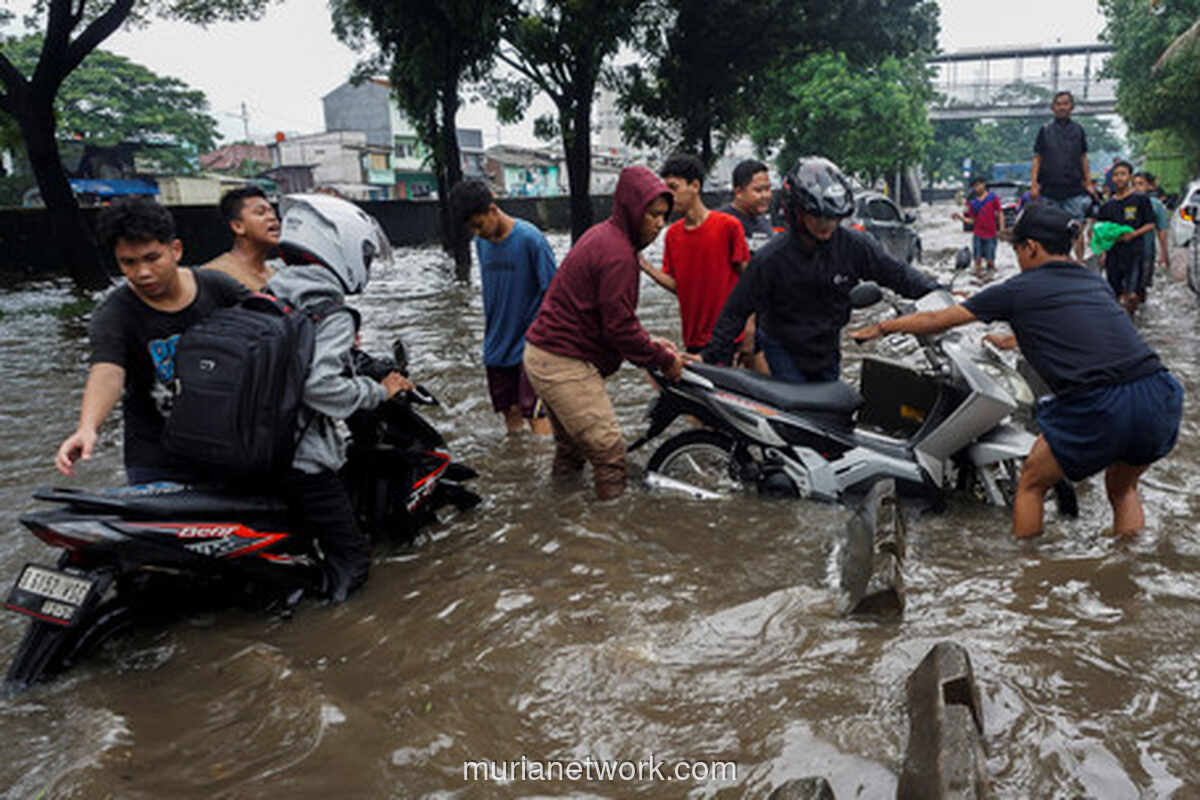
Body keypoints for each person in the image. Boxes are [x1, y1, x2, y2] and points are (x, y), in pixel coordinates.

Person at [851, 203, 1183, 539]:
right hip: (1159, 393)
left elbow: (937, 320)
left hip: (1101, 403)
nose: (1019, 258)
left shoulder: (1018, 289)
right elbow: (1080, 332)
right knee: (1123, 490)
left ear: (1031, 248)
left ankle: (1028, 573)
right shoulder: (1091, 280)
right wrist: (1011, 340)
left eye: (1017, 249)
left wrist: (883, 327)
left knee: (1031, 483)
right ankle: (1128, 569)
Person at [268, 194, 413, 602]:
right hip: (300, 457)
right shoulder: (328, 311)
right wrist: (376, 390)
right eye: (364, 255)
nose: (365, 265)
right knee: (352, 561)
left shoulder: (269, 295)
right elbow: (320, 387)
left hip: (258, 449)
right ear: (339, 246)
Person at [55, 198, 249, 484]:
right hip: (155, 455)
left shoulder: (219, 289)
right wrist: (87, 428)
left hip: (226, 442)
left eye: (152, 258)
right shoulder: (115, 313)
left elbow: (271, 325)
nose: (142, 273)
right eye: (128, 263)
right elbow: (107, 371)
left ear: (176, 250)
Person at [523, 166, 685, 500]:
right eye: (652, 214)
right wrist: (663, 359)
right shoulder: (618, 255)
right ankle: (606, 541)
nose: (659, 224)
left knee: (571, 451)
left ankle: (559, 516)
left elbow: (608, 318)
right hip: (562, 361)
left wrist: (649, 344)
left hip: (544, 354)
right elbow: (619, 329)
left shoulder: (604, 235)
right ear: (631, 209)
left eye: (664, 217)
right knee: (610, 455)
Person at [701, 157, 939, 383]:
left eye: (832, 217)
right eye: (817, 216)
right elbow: (735, 311)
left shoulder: (855, 245)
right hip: (782, 346)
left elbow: (899, 275)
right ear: (797, 212)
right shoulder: (771, 258)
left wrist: (941, 297)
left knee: (832, 411)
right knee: (800, 411)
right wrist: (709, 360)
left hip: (826, 346)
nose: (826, 225)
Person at [448, 180, 555, 435]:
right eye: (471, 228)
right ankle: (518, 472)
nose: (477, 232)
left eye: (479, 224)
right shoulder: (481, 243)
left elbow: (554, 292)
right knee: (511, 414)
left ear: (493, 209)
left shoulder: (530, 239)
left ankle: (546, 473)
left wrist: (547, 340)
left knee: (536, 413)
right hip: (496, 345)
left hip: (531, 345)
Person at [640, 153, 750, 354]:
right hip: (693, 338)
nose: (669, 196)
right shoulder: (672, 235)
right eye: (666, 190)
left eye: (674, 188)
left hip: (729, 337)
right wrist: (645, 266)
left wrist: (749, 334)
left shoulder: (728, 226)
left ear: (695, 186)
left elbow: (750, 281)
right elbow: (679, 286)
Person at [1030, 91, 1091, 259]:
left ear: (1072, 107)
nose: (1062, 107)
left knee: (1077, 227)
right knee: (1051, 229)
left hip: (1074, 189)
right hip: (1049, 189)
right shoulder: (1045, 130)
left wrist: (1089, 182)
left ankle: (1079, 262)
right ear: (1052, 108)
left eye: (1065, 104)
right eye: (1058, 104)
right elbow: (1037, 157)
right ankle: (1057, 261)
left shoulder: (1079, 130)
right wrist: (1034, 184)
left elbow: (1083, 156)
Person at [1096, 160, 1155, 314]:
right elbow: (1101, 231)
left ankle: (1132, 321)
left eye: (1123, 174)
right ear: (1112, 179)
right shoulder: (1107, 206)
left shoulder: (1140, 199)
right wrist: (1102, 253)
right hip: (1113, 254)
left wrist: (1133, 234)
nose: (1119, 178)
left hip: (1135, 253)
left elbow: (1150, 224)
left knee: (1132, 295)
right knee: (1114, 294)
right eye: (1116, 175)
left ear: (1129, 177)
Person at [203, 186, 281, 291]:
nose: (272, 217)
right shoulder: (214, 275)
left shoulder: (277, 273)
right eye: (260, 212)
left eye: (272, 212)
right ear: (238, 227)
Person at [718, 159, 775, 254]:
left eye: (768, 189)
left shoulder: (764, 222)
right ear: (739, 192)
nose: (766, 195)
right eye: (758, 190)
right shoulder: (720, 223)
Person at [951, 176, 1005, 274]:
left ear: (983, 184)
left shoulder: (993, 198)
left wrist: (1002, 229)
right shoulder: (973, 203)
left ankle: (989, 277)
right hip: (978, 235)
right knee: (977, 261)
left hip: (991, 234)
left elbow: (1000, 213)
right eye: (975, 186)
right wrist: (960, 217)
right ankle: (978, 278)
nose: (977, 188)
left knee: (990, 262)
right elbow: (972, 220)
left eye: (978, 185)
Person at [1133, 171, 1170, 296]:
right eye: (1134, 184)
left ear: (1149, 186)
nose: (1137, 187)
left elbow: (1162, 230)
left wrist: (1164, 254)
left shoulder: (1156, 205)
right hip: (1127, 253)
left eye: (1140, 184)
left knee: (1142, 287)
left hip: (1147, 252)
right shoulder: (1125, 203)